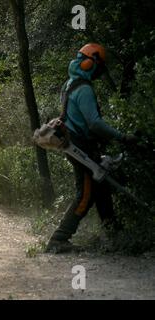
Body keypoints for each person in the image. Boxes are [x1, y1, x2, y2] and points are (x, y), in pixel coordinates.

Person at [46, 43, 137, 253]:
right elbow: (94, 123)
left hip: (76, 143)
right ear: (90, 64)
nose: (99, 72)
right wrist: (122, 137)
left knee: (102, 187)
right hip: (80, 147)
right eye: (99, 67)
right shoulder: (84, 89)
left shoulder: (70, 83)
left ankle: (116, 236)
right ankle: (58, 239)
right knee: (86, 193)